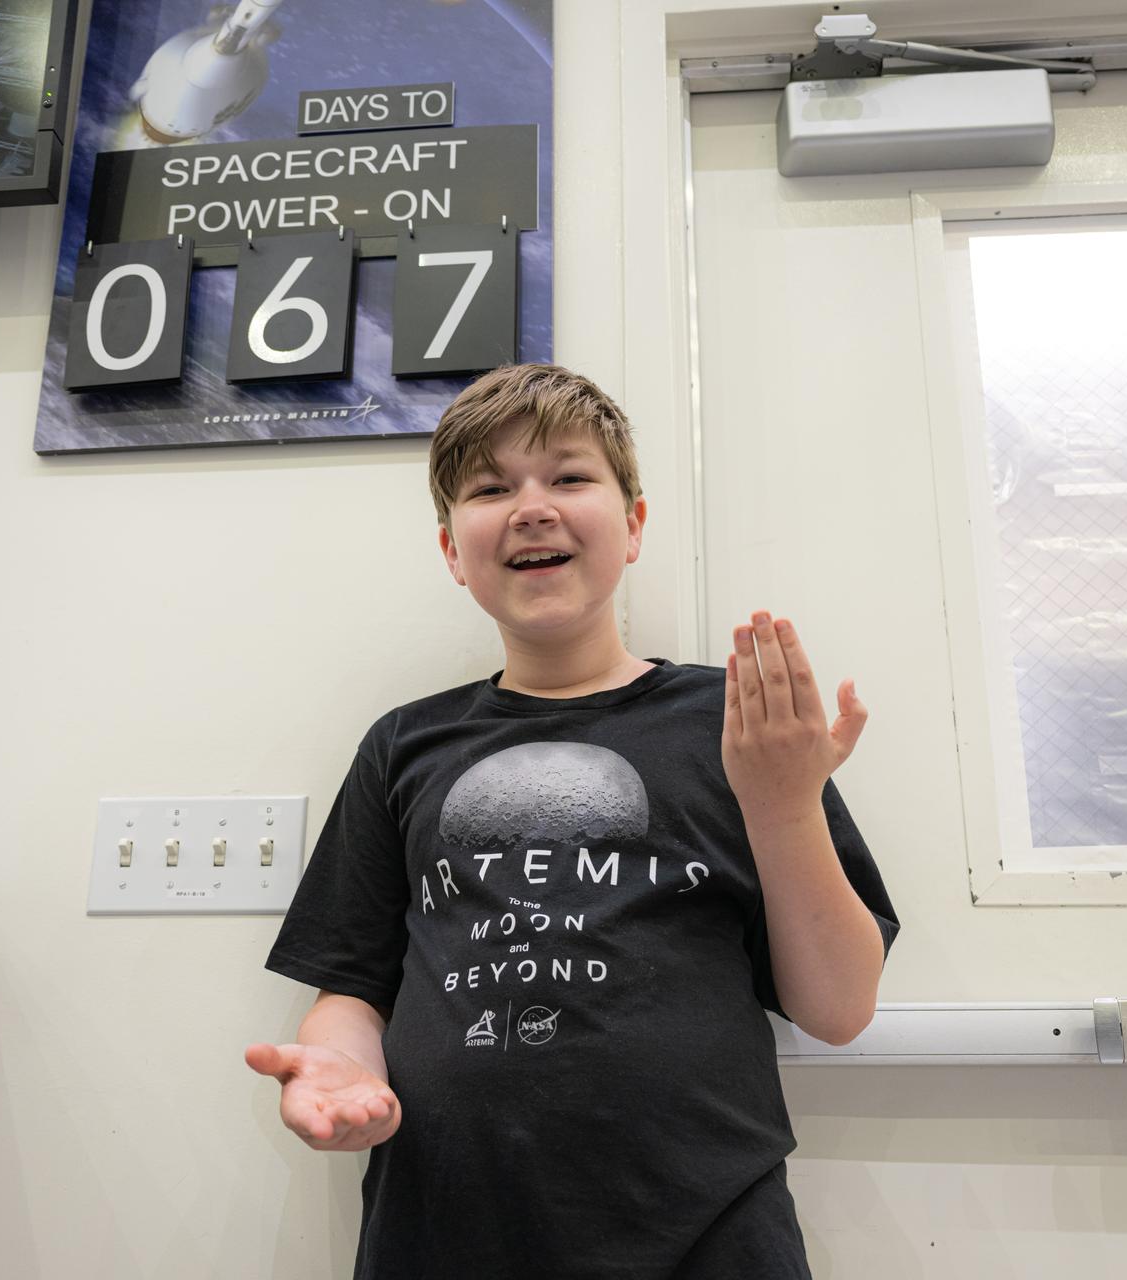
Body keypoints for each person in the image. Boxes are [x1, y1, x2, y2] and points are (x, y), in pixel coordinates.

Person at [243, 363, 902, 1278]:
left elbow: (838, 1007)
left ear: (633, 525)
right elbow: (351, 988)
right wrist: (340, 1070)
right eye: (489, 487)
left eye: (569, 476)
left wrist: (784, 804)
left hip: (708, 1231)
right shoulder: (404, 746)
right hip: (441, 1227)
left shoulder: (742, 728)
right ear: (450, 550)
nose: (531, 506)